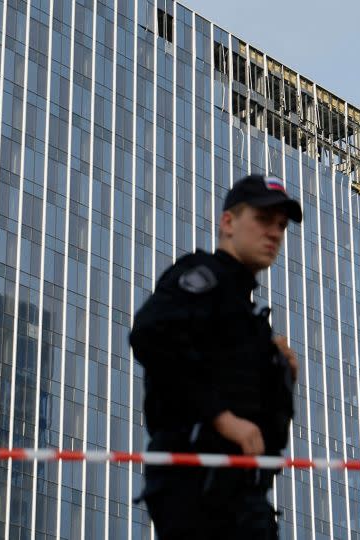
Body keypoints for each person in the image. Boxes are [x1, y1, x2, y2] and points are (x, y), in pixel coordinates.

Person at [130, 173, 302, 539]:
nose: (274, 234)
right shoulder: (203, 276)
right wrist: (223, 419)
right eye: (262, 220)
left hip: (242, 494)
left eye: (281, 226)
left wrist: (281, 375)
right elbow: (150, 333)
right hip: (198, 486)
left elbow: (258, 421)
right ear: (228, 222)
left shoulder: (247, 314)